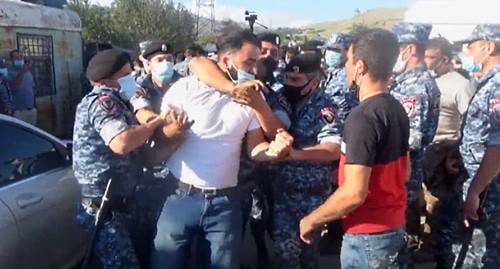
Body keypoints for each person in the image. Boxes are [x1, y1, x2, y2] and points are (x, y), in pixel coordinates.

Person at [151, 29, 293, 269]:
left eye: (257, 62)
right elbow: (158, 141)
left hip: (225, 204)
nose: (256, 69)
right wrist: (174, 131)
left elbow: (255, 146)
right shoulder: (185, 89)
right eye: (249, 62)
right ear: (226, 60)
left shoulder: (252, 99)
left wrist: (273, 152)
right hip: (180, 198)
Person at [299, 28, 410, 269]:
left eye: (348, 61)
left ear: (360, 66)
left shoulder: (362, 118)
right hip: (393, 226)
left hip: (367, 237)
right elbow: (406, 171)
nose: (345, 67)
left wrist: (311, 220)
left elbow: (354, 193)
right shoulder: (396, 109)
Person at [72, 49, 189, 269]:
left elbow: (145, 158)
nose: (132, 77)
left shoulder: (121, 101)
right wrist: (156, 122)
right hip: (104, 208)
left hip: (126, 203)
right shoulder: (101, 101)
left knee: (145, 257)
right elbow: (122, 142)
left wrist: (176, 140)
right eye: (126, 74)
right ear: (108, 80)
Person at [271, 53, 357, 269]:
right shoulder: (283, 98)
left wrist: (296, 153)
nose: (288, 85)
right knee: (285, 253)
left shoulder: (325, 108)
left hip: (311, 195)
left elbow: (332, 149)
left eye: (296, 81)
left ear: (314, 82)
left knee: (308, 255)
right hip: (283, 192)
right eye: (287, 78)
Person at [437, 24, 500, 269]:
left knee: (482, 254)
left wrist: (475, 190)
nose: (467, 52)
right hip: (478, 180)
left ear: (489, 46)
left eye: (471, 46)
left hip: (488, 189)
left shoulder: (496, 86)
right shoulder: (485, 83)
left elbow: (497, 146)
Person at [390, 22, 440, 257]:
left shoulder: (415, 86)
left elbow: (409, 140)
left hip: (401, 172)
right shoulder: (408, 80)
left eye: (395, 48)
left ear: (409, 49)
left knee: (394, 241)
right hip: (404, 172)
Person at [425, 37, 476, 142]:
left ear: (445, 59)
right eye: (424, 57)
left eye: (430, 57)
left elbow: (471, 121)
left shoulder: (461, 85)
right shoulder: (420, 81)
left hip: (442, 148)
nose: (425, 61)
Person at [130, 41, 181, 124]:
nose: (165, 63)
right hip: (154, 132)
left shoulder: (184, 82)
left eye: (169, 59)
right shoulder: (140, 86)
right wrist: (162, 121)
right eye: (159, 60)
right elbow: (142, 112)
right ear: (149, 64)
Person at [7, 49, 36, 125]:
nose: (19, 59)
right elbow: (13, 87)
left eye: (21, 57)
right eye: (16, 57)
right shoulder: (8, 72)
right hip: (18, 112)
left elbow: (31, 89)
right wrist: (22, 72)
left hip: (31, 109)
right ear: (11, 59)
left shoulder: (28, 72)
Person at [323, 33, 352, 97]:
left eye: (336, 50)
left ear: (348, 51)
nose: (331, 52)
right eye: (329, 49)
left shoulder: (348, 75)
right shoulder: (331, 72)